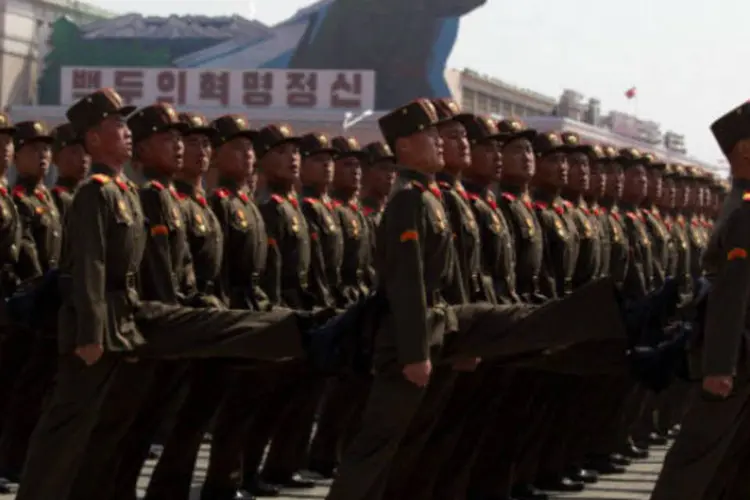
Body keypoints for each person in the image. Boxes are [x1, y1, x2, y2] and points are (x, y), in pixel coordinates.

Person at [14, 88, 322, 500]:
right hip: (100, 329)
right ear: (92, 140)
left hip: (128, 322)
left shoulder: (124, 192)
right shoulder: (96, 192)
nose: (125, 132)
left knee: (112, 429)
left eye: (126, 125)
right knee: (69, 428)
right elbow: (91, 266)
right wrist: (90, 333)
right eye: (116, 126)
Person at [326, 98, 628, 500]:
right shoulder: (408, 201)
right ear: (403, 148)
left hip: (443, 333)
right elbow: (408, 283)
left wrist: (462, 342)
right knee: (379, 445)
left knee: (417, 441)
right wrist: (416, 352)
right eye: (430, 137)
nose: (439, 144)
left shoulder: (427, 197)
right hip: (409, 343)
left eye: (440, 137)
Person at [650, 100, 750, 500]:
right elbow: (733, 291)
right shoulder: (745, 212)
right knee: (694, 462)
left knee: (731, 461)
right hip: (736, 360)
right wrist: (720, 366)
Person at [50, 122, 90, 219]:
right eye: (74, 152)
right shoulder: (56, 199)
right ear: (55, 158)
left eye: (87, 151)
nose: (84, 158)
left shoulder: (92, 195)